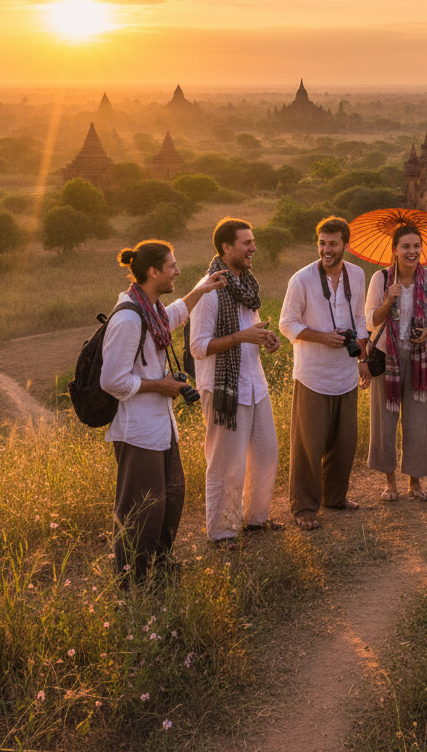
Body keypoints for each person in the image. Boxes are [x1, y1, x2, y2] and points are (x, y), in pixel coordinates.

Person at [100, 239, 227, 585]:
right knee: (140, 508)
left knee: (170, 498)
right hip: (137, 429)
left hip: (159, 425)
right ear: (153, 272)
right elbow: (112, 380)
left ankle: (159, 568)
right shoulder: (128, 318)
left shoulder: (150, 309)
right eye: (172, 266)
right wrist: (161, 385)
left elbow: (172, 317)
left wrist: (202, 288)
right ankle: (132, 582)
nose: (177, 271)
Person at [190, 218, 283, 549]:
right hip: (224, 389)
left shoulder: (246, 286)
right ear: (227, 247)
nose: (253, 248)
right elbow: (198, 347)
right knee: (226, 464)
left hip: (254, 383)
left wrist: (266, 338)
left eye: (253, 241)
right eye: (246, 243)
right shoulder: (210, 290)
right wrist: (241, 337)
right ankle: (222, 531)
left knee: (265, 453)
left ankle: (256, 519)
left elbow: (250, 331)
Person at [279, 216, 369, 530]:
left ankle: (335, 496)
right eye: (322, 243)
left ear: (346, 245)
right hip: (312, 374)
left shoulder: (357, 275)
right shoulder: (301, 279)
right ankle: (304, 508)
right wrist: (322, 336)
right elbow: (286, 323)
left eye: (332, 244)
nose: (326, 249)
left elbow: (360, 317)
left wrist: (362, 356)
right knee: (309, 444)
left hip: (345, 371)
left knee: (345, 441)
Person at [365, 224, 427, 501]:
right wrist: (388, 300)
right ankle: (389, 482)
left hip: (419, 356)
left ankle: (415, 481)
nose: (412, 252)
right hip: (388, 356)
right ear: (395, 250)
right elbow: (371, 321)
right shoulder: (381, 278)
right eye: (406, 246)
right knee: (385, 421)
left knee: (417, 420)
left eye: (416, 246)